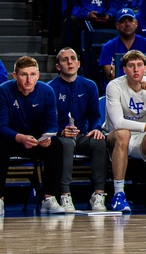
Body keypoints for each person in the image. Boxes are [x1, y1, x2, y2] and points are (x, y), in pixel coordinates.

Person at [103, 50, 146, 213]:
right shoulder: (114, 86)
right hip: (116, 137)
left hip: (141, 139)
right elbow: (118, 123)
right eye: (131, 66)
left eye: (139, 65)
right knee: (124, 133)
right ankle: (119, 194)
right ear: (124, 70)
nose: (136, 69)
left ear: (145, 69)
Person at [0, 56, 66, 216]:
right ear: (15, 76)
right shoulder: (4, 90)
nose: (29, 79)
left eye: (33, 74)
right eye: (24, 74)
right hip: (12, 139)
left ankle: (49, 198)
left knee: (56, 145)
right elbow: (1, 126)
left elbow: (52, 123)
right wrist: (20, 138)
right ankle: (0, 200)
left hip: (37, 140)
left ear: (38, 75)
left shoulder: (47, 91)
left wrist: (46, 137)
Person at [50, 47, 106, 212]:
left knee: (99, 142)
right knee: (66, 144)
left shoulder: (89, 85)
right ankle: (65, 194)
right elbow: (47, 120)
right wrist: (60, 131)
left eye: (73, 58)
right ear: (58, 66)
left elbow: (95, 115)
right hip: (60, 136)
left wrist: (96, 129)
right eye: (65, 59)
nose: (69, 62)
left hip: (82, 134)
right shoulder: (50, 88)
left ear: (79, 63)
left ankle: (99, 194)